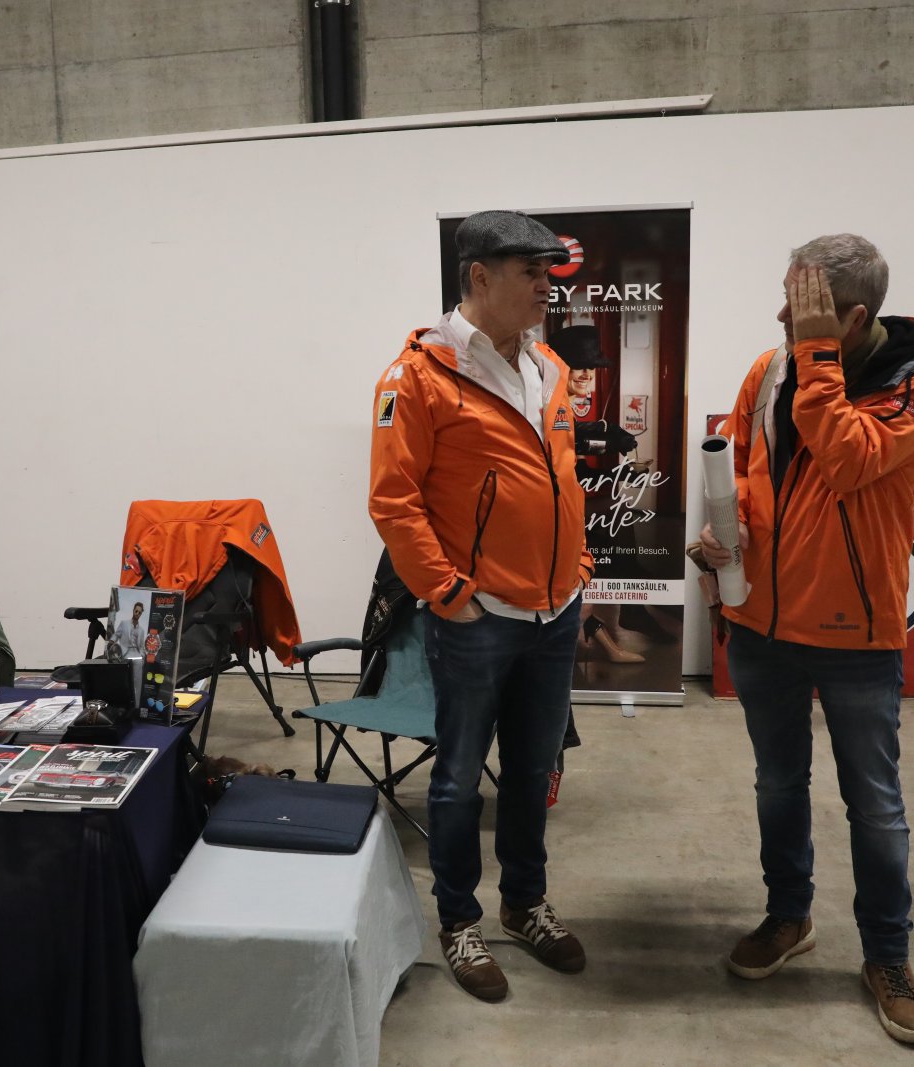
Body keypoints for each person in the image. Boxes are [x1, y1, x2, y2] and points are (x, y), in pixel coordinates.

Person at [700, 234, 914, 1046]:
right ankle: (789, 915)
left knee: (874, 804)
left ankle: (888, 955)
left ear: (852, 316)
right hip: (761, 625)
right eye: (786, 296)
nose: (782, 314)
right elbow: (746, 469)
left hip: (856, 639)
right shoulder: (768, 371)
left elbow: (848, 457)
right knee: (778, 783)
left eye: (801, 304)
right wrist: (726, 535)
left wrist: (814, 356)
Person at [369, 210, 594, 1002]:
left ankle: (525, 904)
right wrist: (448, 591)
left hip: (553, 612)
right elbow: (394, 502)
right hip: (478, 617)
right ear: (478, 276)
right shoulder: (417, 378)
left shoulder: (549, 366)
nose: (545, 287)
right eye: (530, 272)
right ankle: (459, 919)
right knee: (460, 776)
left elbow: (562, 479)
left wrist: (579, 566)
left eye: (548, 273)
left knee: (533, 769)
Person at [549, 324, 644, 666]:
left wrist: (620, 472)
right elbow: (567, 443)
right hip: (550, 514)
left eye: (591, 367)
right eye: (579, 366)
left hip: (570, 508)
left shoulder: (566, 405)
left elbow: (578, 466)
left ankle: (607, 630)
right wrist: (607, 435)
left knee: (619, 535)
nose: (587, 374)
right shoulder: (550, 404)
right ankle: (602, 632)